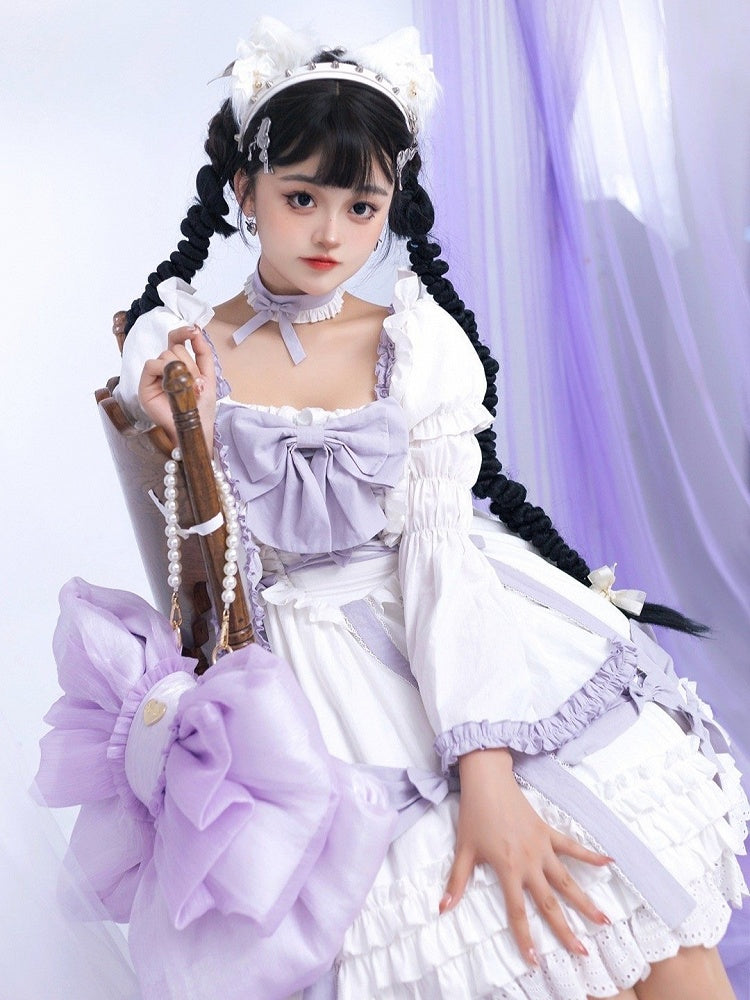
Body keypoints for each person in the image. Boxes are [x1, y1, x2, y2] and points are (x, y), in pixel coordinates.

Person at [65, 17, 749, 1000]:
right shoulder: (187, 346)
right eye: (301, 198)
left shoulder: (415, 347)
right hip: (310, 677)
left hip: (447, 627)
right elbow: (206, 563)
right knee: (486, 914)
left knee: (620, 865)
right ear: (244, 192)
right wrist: (191, 418)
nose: (331, 235)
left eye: (362, 205)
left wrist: (487, 768)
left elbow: (439, 561)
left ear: (392, 204)